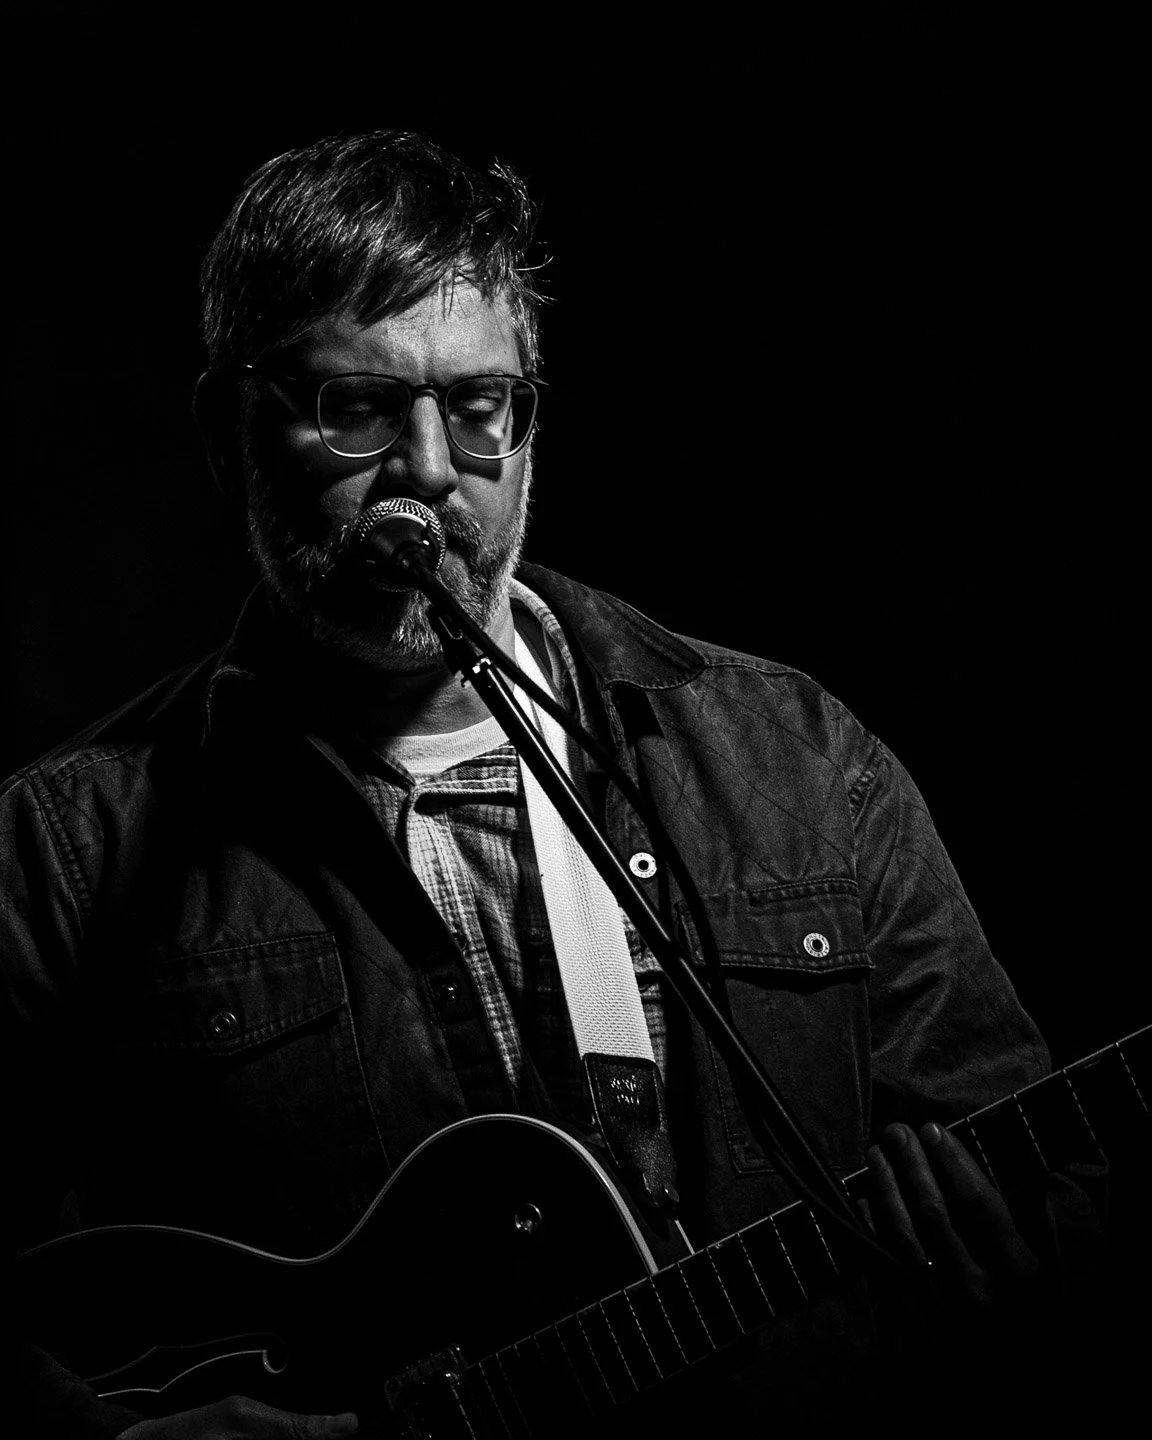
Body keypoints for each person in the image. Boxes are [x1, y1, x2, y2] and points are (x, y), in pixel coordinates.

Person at [4, 130, 1110, 1439]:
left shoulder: (800, 765)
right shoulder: (67, 847)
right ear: (228, 432)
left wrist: (1027, 1273)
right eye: (357, 407)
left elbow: (1051, 1182)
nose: (430, 468)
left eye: (479, 409)